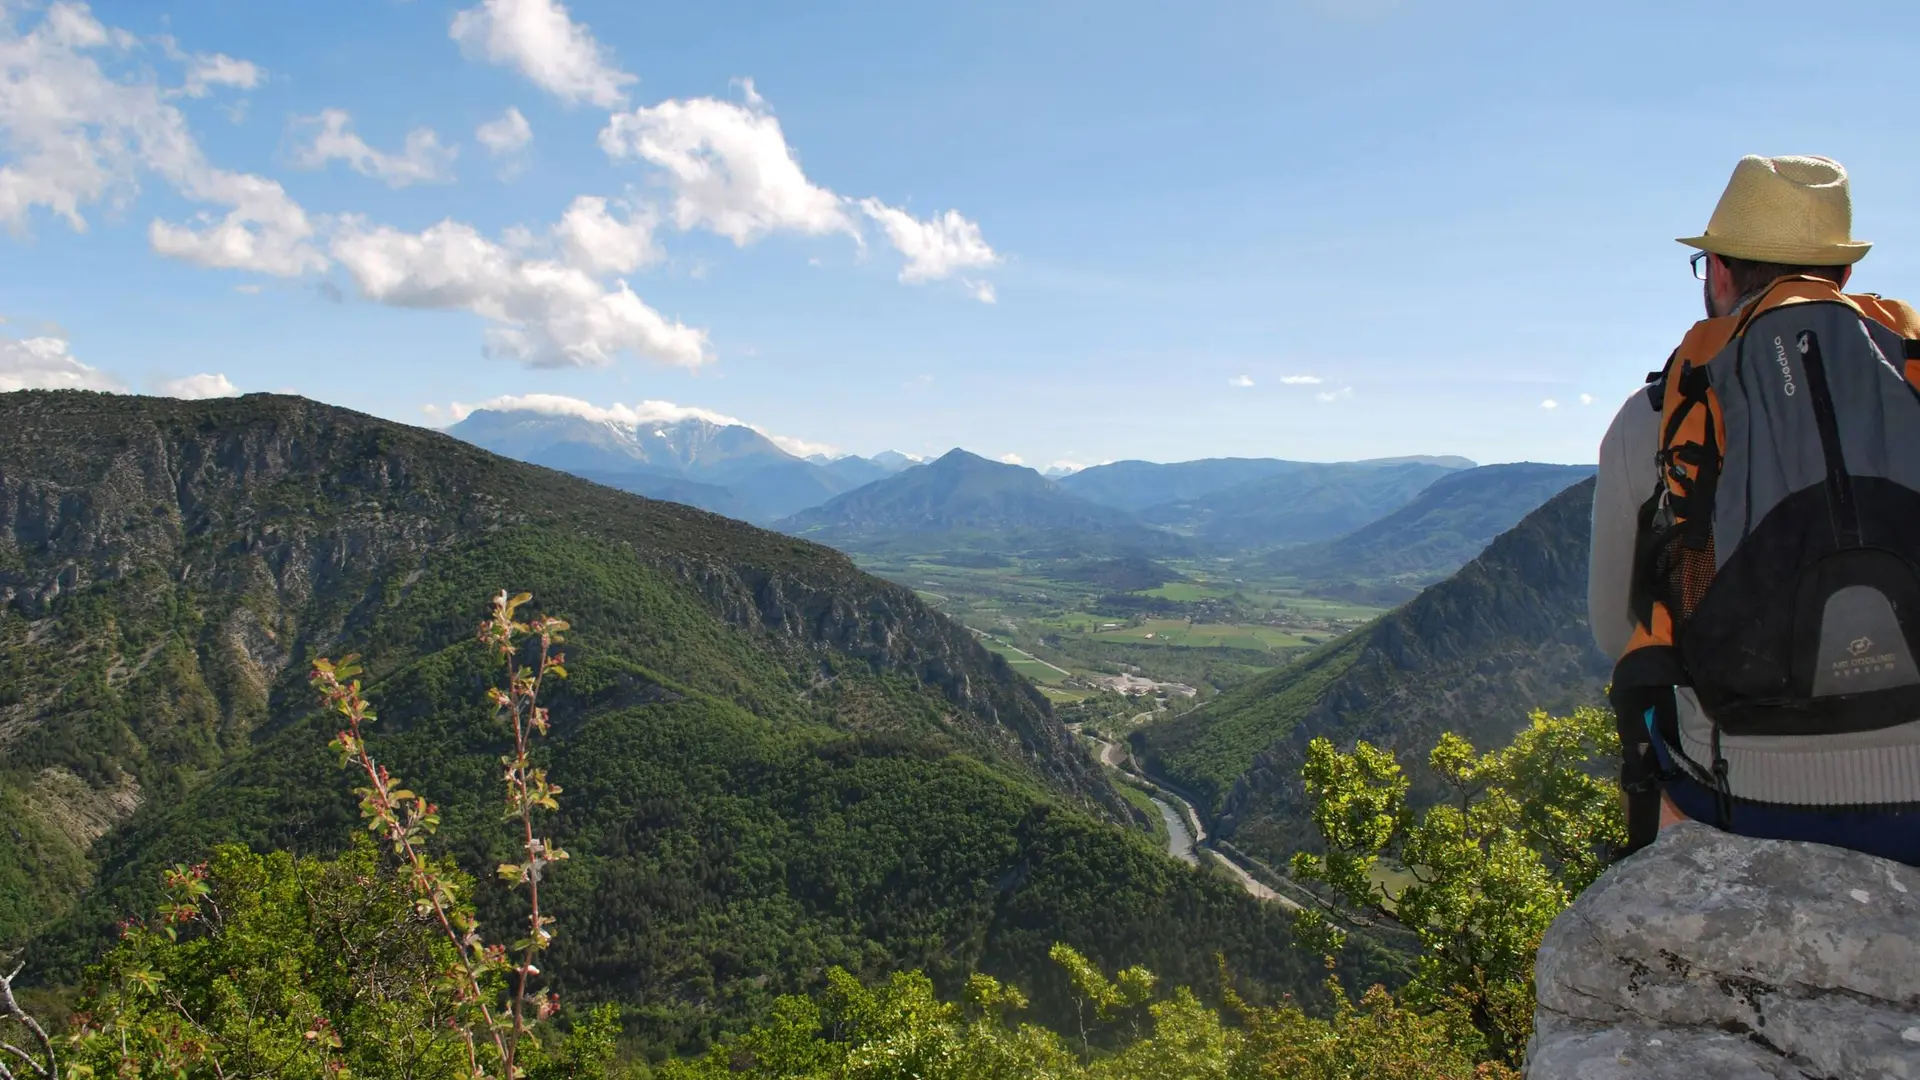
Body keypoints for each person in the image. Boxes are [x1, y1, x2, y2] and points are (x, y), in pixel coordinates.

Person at [1590, 154, 1920, 866]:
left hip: (1746, 797)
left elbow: (1618, 630)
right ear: (1843, 278)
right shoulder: (1913, 383)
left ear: (1720, 273)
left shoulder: (1656, 418)